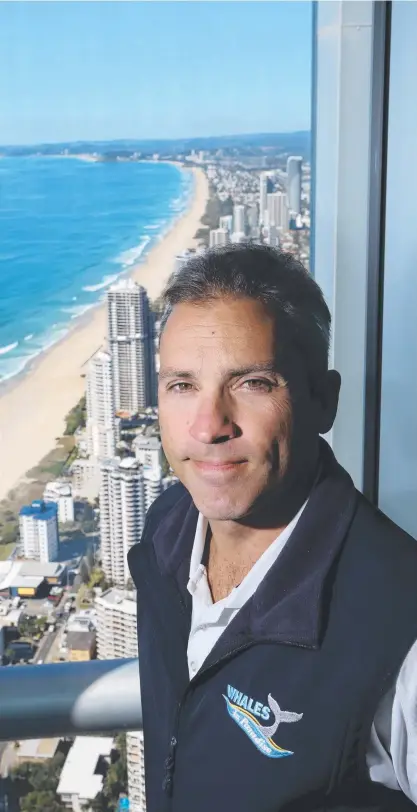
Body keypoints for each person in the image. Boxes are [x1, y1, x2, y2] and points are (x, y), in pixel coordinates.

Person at [128, 244, 417, 812]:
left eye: (254, 382)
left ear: (323, 401)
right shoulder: (166, 531)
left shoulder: (398, 622)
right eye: (182, 385)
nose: (209, 426)